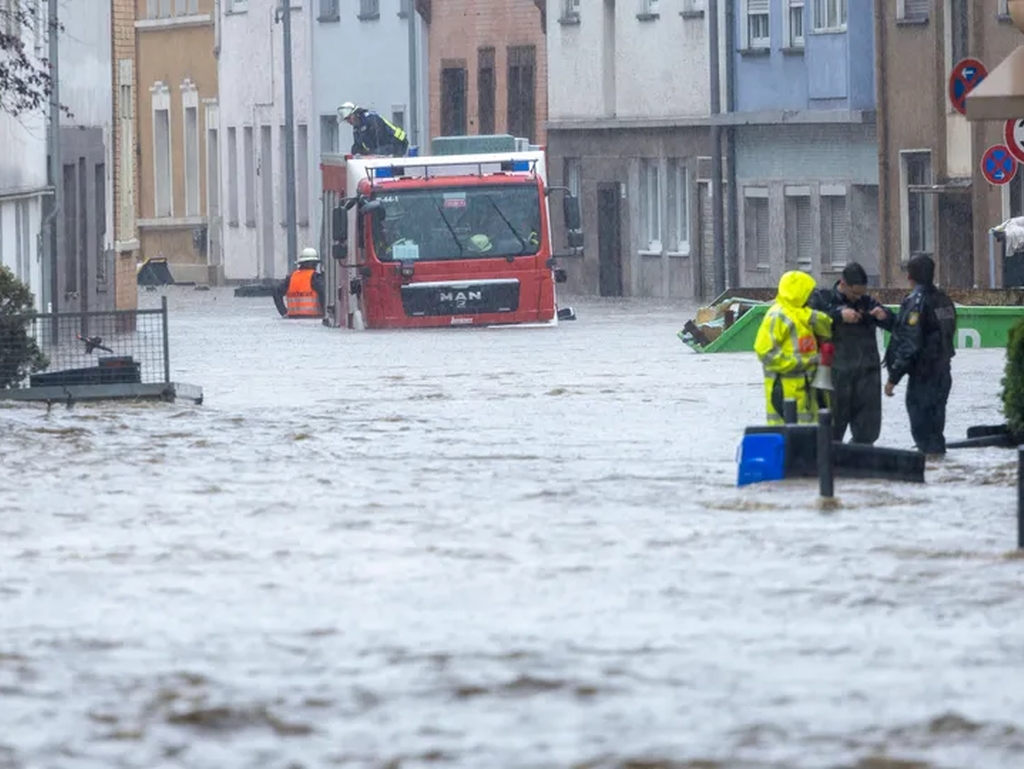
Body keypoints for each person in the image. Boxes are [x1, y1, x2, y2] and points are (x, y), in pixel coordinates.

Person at [808, 262, 895, 444]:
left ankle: (860, 461)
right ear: (843, 283)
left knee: (868, 428)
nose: (858, 298)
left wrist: (884, 315)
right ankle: (831, 462)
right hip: (835, 374)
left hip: (867, 375)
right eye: (854, 293)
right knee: (832, 427)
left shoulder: (866, 302)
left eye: (861, 293)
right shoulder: (824, 298)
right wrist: (839, 316)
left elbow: (895, 325)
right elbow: (809, 319)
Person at [884, 255, 957, 455]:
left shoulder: (916, 301)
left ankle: (929, 469)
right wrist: (889, 319)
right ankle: (938, 469)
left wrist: (893, 378)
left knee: (923, 431)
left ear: (909, 275)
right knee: (936, 429)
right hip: (943, 372)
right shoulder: (944, 300)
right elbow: (934, 331)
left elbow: (911, 343)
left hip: (923, 377)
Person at [754, 270, 834, 425]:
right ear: (798, 292)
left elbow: (827, 327)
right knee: (790, 440)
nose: (811, 297)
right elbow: (764, 352)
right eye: (808, 292)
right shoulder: (777, 316)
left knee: (810, 439)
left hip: (807, 392)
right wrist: (804, 362)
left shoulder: (804, 316)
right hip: (785, 392)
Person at [338, 102, 409, 157]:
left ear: (355, 114)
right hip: (385, 147)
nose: (349, 121)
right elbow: (358, 146)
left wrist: (369, 153)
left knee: (376, 153)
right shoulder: (357, 127)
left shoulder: (371, 120)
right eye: (346, 120)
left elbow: (379, 141)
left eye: (349, 118)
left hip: (398, 144)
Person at [273, 247, 325, 318]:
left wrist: (283, 312)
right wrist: (325, 313)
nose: (315, 266)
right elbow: (324, 295)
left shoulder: (291, 278)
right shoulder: (315, 278)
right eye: (314, 263)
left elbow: (276, 292)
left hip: (292, 320)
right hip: (313, 318)